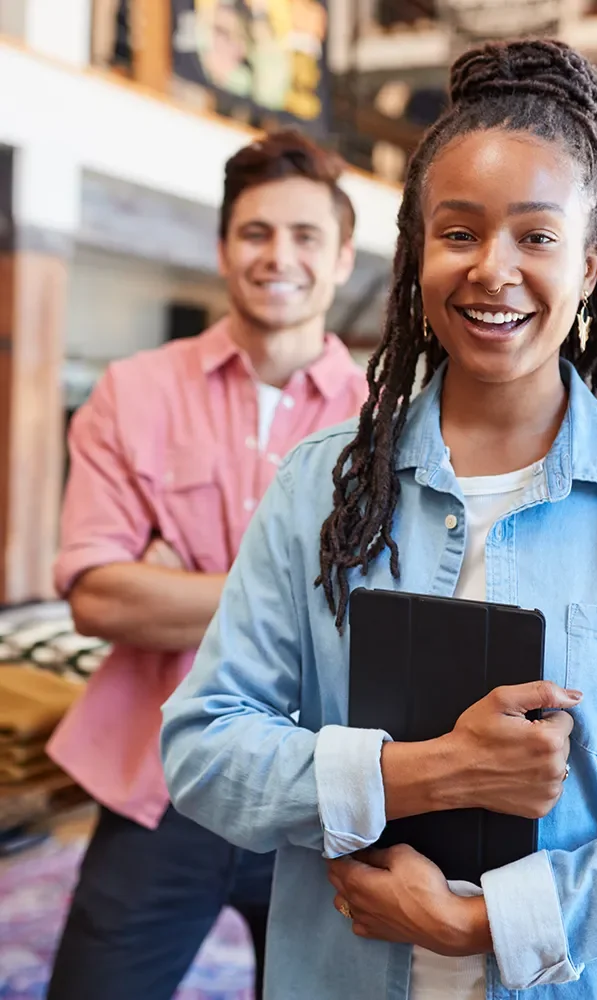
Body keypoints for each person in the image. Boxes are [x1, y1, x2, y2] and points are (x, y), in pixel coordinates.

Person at [161, 40, 597, 1000]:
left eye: (536, 237)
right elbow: (204, 746)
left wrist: (484, 923)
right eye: (458, 232)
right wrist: (434, 772)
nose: (493, 270)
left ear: (590, 267)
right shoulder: (319, 488)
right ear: (418, 250)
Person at [46, 130, 367, 1000]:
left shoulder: (389, 419)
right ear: (225, 247)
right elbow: (99, 594)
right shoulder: (134, 391)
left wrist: (176, 586)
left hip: (323, 790)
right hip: (165, 781)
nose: (279, 256)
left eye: (306, 236)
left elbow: (386, 613)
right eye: (256, 232)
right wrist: (298, 592)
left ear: (342, 257)